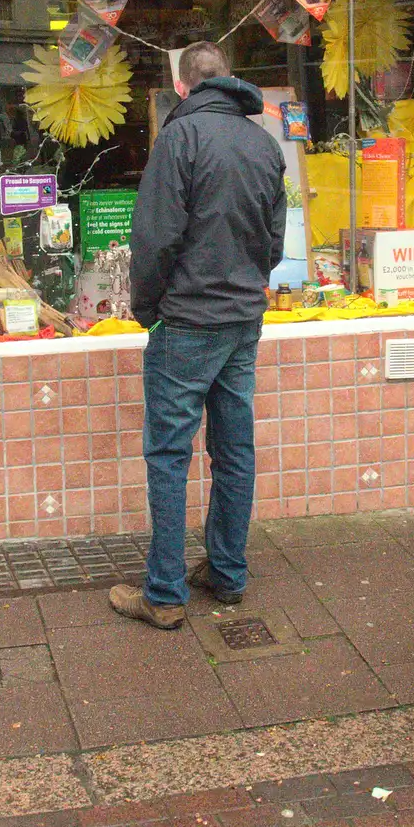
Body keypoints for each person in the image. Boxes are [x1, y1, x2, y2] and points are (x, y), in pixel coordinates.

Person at [110, 42, 286, 629]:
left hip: (187, 322)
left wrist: (147, 309)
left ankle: (163, 595)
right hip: (241, 321)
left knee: (168, 456)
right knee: (234, 450)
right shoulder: (264, 145)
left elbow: (155, 239)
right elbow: (274, 243)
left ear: (182, 88)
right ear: (228, 81)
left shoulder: (179, 140)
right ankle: (227, 574)